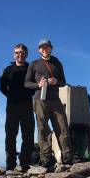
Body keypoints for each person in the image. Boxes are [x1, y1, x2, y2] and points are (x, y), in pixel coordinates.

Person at [24, 38, 72, 169]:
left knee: (62, 126)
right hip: (40, 99)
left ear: (51, 48)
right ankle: (45, 159)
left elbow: (63, 81)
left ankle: (67, 157)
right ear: (39, 50)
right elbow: (26, 83)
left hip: (55, 99)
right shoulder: (34, 64)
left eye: (47, 47)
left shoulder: (57, 63)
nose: (45, 49)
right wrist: (38, 84)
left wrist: (56, 81)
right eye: (42, 47)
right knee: (43, 129)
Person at [0, 44, 35, 171]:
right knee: (10, 136)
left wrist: (30, 94)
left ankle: (24, 164)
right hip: (12, 106)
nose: (20, 54)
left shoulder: (31, 68)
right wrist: (11, 96)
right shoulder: (8, 69)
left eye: (22, 52)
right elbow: (2, 87)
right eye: (17, 52)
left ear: (26, 54)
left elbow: (36, 85)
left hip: (27, 105)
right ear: (14, 54)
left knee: (28, 136)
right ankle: (10, 165)